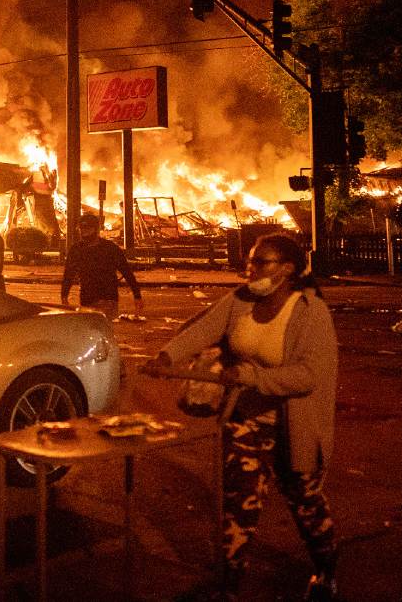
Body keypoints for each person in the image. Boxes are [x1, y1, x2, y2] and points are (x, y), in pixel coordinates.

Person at [145, 234, 340, 601]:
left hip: (293, 426)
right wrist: (167, 358)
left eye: (260, 262)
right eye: (250, 261)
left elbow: (309, 375)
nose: (250, 268)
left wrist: (252, 377)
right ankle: (229, 585)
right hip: (245, 420)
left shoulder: (309, 312)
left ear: (287, 269)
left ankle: (326, 571)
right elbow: (204, 328)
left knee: (306, 504)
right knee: (239, 503)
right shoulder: (241, 300)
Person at [60, 213, 142, 319]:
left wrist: (137, 295)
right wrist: (64, 295)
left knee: (103, 330)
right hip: (88, 298)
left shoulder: (110, 249)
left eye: (87, 228)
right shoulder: (76, 250)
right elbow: (68, 274)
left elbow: (126, 271)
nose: (84, 232)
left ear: (96, 229)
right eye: (81, 228)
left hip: (108, 298)